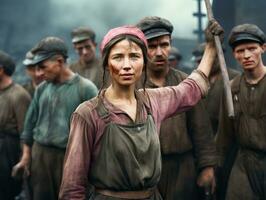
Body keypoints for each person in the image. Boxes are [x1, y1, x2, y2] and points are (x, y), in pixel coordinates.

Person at [59, 19, 223, 200]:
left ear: (144, 62)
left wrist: (210, 48)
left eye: (134, 56)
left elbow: (192, 89)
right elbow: (72, 187)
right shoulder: (88, 114)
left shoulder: (152, 102)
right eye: (118, 57)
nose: (127, 65)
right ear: (106, 64)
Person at [136, 16, 217, 200]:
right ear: (142, 48)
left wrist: (207, 167)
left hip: (182, 167)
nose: (159, 52)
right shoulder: (132, 84)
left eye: (164, 45)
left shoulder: (185, 83)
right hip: (144, 170)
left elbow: (201, 129)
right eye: (152, 46)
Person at [12, 37, 98, 200]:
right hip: (40, 158)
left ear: (59, 61)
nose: (39, 73)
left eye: (43, 67)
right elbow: (29, 127)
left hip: (69, 160)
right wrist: (26, 158)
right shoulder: (42, 89)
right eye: (36, 68)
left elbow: (97, 133)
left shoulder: (86, 89)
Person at [216, 24, 266, 200]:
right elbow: (224, 135)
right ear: (235, 54)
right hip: (244, 163)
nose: (246, 55)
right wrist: (215, 169)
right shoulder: (231, 89)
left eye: (252, 48)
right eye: (240, 51)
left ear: (263, 48)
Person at [0, 50, 31, 200]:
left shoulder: (19, 95)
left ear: (1, 70)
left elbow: (25, 132)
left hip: (9, 153)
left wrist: (23, 161)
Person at [192, 43, 239, 134]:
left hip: (226, 132)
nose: (202, 64)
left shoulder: (234, 78)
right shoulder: (196, 80)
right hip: (202, 134)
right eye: (199, 62)